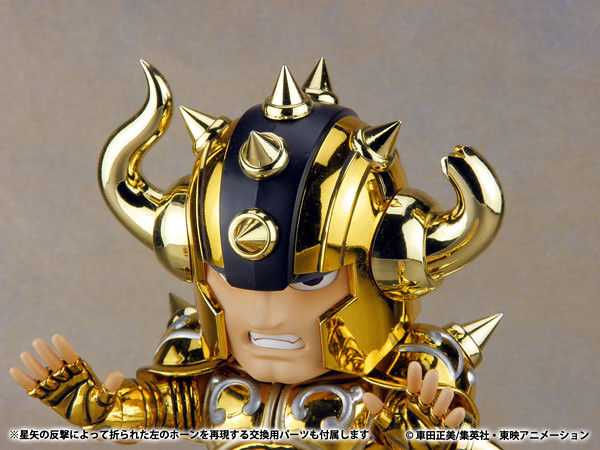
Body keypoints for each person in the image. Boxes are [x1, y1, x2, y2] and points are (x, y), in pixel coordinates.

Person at [11, 59, 505, 449]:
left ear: (382, 272)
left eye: (310, 281)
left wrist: (427, 438)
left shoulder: (390, 397)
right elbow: (158, 409)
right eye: (230, 278)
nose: (267, 317)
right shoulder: (212, 383)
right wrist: (99, 409)